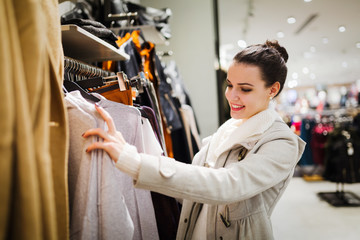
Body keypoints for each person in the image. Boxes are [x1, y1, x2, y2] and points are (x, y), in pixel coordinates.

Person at [83, 40, 305, 239]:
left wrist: (137, 163)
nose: (231, 96)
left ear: (272, 90)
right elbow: (194, 183)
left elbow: (228, 185)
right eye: (229, 85)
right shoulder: (230, 128)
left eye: (245, 89)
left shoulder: (281, 143)